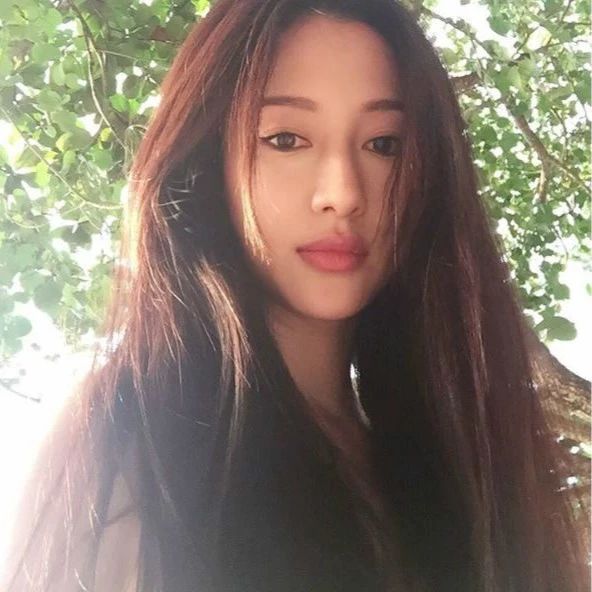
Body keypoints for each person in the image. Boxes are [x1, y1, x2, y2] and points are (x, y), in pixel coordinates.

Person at [1, 0, 588, 590]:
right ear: (208, 162)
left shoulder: (461, 460)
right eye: (285, 139)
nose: (343, 194)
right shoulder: (135, 449)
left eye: (385, 144)